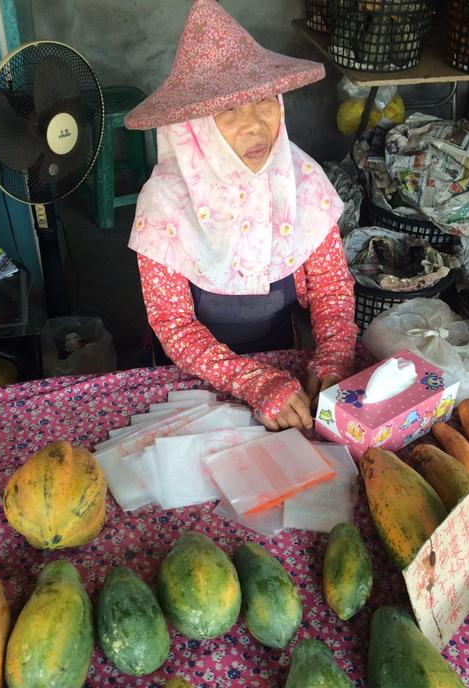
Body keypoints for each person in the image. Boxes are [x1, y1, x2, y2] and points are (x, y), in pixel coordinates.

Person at [126, 0, 357, 431]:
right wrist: (250, 381)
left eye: (265, 100)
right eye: (228, 110)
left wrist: (333, 358)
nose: (255, 125)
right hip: (191, 374)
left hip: (281, 357)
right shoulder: (164, 205)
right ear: (192, 126)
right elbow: (173, 323)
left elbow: (331, 290)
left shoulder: (303, 183)